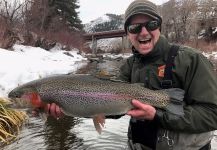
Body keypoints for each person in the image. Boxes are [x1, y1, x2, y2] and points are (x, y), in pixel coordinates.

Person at [46, 0, 217, 149]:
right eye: (135, 27)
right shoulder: (129, 65)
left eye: (151, 24)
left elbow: (212, 114)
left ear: (159, 27)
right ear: (128, 33)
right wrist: (70, 107)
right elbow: (112, 103)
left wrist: (157, 115)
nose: (143, 32)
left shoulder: (191, 60)